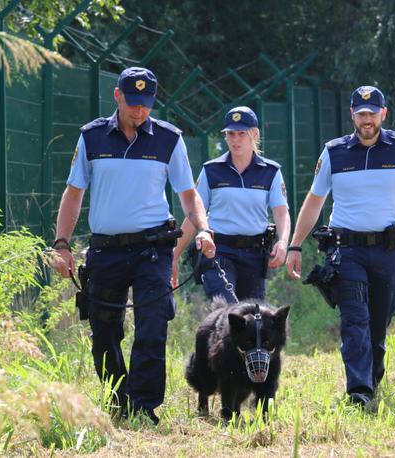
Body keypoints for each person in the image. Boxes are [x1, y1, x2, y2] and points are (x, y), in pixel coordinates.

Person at [50, 67, 215, 425]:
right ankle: (119, 397)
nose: (139, 112)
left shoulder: (169, 139)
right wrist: (62, 244)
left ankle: (143, 406)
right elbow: (74, 194)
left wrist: (203, 229)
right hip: (106, 250)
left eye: (146, 105)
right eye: (132, 104)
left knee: (153, 325)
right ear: (117, 97)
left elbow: (189, 195)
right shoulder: (91, 137)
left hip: (152, 248)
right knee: (104, 330)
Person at [286, 86, 395, 406]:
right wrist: (295, 245)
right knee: (354, 318)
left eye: (372, 114)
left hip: (388, 250)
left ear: (383, 114)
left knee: (379, 318)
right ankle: (359, 390)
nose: (367, 120)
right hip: (346, 249)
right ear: (352, 115)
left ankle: (372, 374)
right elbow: (314, 201)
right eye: (361, 114)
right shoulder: (333, 152)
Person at [172, 106, 290, 302]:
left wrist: (283, 242)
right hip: (218, 251)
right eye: (230, 134)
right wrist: (175, 254)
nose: (235, 140)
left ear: (255, 134)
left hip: (254, 254)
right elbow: (194, 214)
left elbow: (281, 212)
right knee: (229, 310)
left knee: (252, 320)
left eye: (242, 134)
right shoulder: (211, 171)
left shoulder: (271, 172)